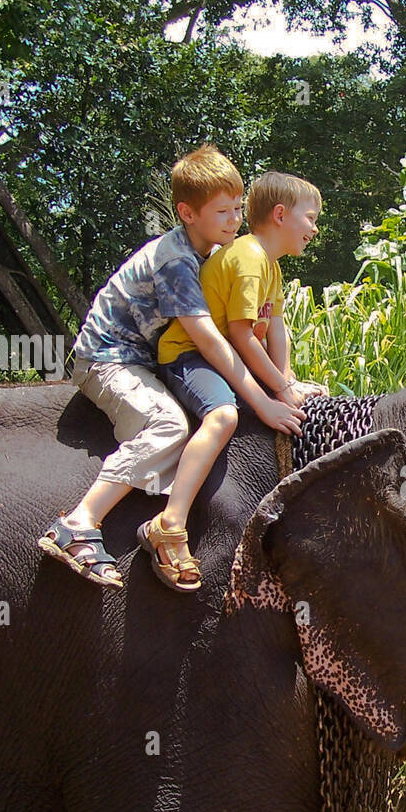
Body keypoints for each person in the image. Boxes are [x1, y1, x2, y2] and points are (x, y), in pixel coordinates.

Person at [38, 146, 304, 591]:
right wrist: (265, 399)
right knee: (167, 425)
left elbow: (253, 325)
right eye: (222, 211)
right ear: (186, 212)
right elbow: (210, 341)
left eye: (238, 208)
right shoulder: (177, 261)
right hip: (111, 359)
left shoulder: (215, 255)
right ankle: (80, 522)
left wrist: (285, 382)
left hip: (150, 358)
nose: (234, 219)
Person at [153, 171, 327, 574]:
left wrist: (288, 381)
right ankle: (171, 522)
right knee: (224, 416)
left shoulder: (271, 266)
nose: (314, 229)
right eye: (311, 218)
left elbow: (275, 328)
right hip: (189, 355)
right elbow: (242, 335)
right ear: (281, 215)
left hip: (223, 356)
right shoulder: (249, 259)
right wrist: (275, 393)